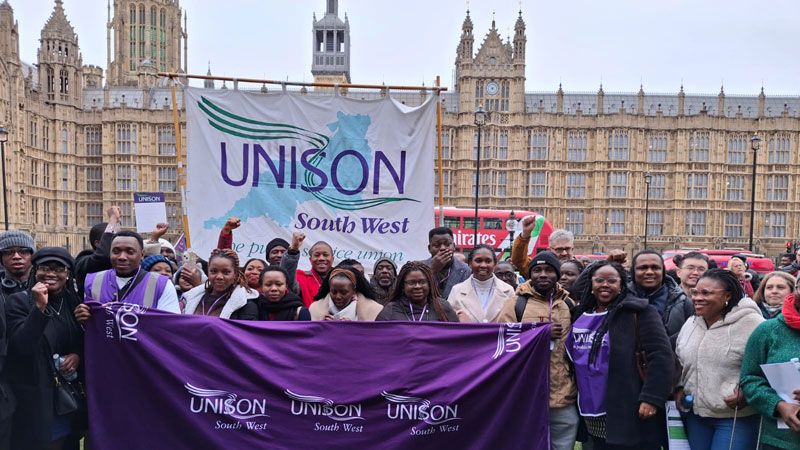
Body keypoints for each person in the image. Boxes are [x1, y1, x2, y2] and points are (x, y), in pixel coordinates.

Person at [566, 261, 673, 450]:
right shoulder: (581, 314)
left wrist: (651, 398)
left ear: (622, 285)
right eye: (599, 280)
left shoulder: (639, 312)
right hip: (592, 411)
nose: (605, 285)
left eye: (612, 280)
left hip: (629, 408)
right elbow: (577, 286)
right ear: (591, 285)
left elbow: (662, 356)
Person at [675, 269, 764, 450]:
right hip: (696, 416)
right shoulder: (691, 323)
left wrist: (748, 392)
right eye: (695, 292)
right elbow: (680, 360)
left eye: (706, 293)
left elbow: (769, 365)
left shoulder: (753, 324)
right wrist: (678, 386)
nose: (698, 298)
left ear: (728, 296)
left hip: (736, 417)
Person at [497, 251, 577, 450]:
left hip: (562, 393)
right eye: (537, 270)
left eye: (549, 270)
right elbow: (502, 346)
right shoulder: (516, 304)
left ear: (557, 275)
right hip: (526, 394)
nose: (543, 274)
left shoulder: (568, 304)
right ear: (530, 275)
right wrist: (540, 335)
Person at [6, 248, 84, 449]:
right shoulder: (19, 301)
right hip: (37, 395)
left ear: (68, 274)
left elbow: (79, 340)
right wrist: (39, 308)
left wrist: (77, 355)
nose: (51, 273)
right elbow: (22, 347)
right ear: (35, 271)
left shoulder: (73, 302)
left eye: (58, 268)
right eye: (44, 268)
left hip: (69, 394)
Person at [740, 275, 800, 450]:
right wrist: (778, 405)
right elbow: (750, 378)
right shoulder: (768, 331)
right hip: (780, 440)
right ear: (795, 291)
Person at [74, 231, 181, 325]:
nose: (122, 257)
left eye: (130, 252)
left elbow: (170, 327)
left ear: (142, 255)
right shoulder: (92, 281)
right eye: (116, 251)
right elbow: (90, 326)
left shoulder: (162, 284)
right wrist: (82, 317)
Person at [629, 249, 694, 347]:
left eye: (655, 267)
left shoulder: (683, 302)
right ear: (633, 271)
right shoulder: (620, 299)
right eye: (643, 268)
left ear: (663, 271)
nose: (649, 272)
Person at [182, 249, 258, 320]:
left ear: (235, 274)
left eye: (226, 272)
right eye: (214, 271)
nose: (219, 277)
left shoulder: (246, 304)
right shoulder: (190, 298)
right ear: (208, 272)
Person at [447, 244, 515, 323]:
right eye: (478, 261)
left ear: (494, 264)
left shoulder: (508, 290)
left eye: (488, 261)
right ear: (470, 263)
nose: (483, 265)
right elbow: (450, 323)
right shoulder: (457, 291)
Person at [375, 261, 458, 322]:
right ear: (403, 286)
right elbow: (378, 338)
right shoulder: (390, 309)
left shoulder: (443, 307)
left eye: (422, 282)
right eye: (411, 283)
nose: (417, 286)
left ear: (429, 284)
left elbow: (456, 336)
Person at [74, 206, 120, 298]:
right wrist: (113, 220)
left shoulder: (120, 263)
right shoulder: (83, 262)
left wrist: (154, 239)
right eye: (113, 239)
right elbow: (103, 256)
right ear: (98, 243)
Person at [310, 267, 382, 321]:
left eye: (343, 292)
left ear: (354, 291)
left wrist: (352, 328)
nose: (338, 297)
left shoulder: (374, 310)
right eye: (334, 292)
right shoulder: (315, 309)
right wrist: (322, 326)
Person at [281, 232, 334, 307]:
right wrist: (293, 250)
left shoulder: (342, 277)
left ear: (332, 259)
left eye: (325, 255)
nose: (321, 258)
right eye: (316, 255)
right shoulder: (301, 278)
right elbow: (286, 278)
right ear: (310, 259)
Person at [423, 227, 471, 300]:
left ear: (454, 246)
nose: (442, 248)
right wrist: (432, 269)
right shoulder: (420, 267)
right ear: (429, 248)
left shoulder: (465, 270)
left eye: (447, 244)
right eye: (436, 245)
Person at [0, 230, 36, 304]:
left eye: (23, 251)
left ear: (32, 256)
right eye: (8, 252)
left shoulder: (48, 287)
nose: (16, 256)